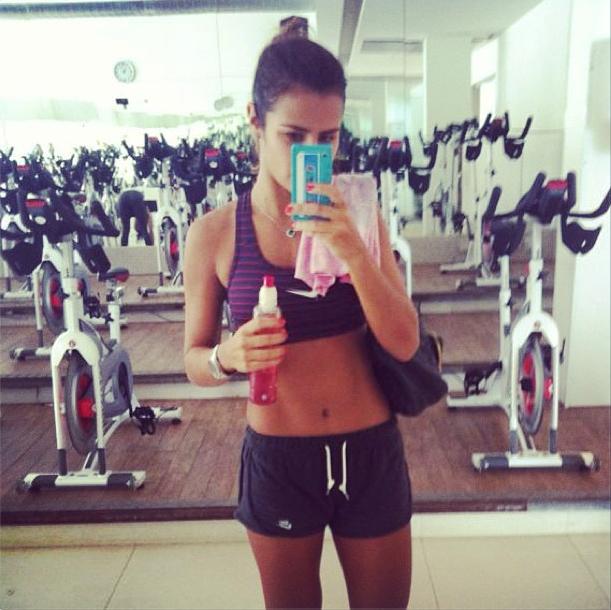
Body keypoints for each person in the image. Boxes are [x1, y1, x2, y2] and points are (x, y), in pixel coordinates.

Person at [183, 18, 419, 610]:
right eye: (294, 135)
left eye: (328, 137)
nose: (314, 153)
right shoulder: (213, 234)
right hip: (280, 461)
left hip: (369, 451)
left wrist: (354, 250)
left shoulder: (358, 214)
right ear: (255, 121)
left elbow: (405, 341)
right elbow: (193, 360)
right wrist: (226, 357)